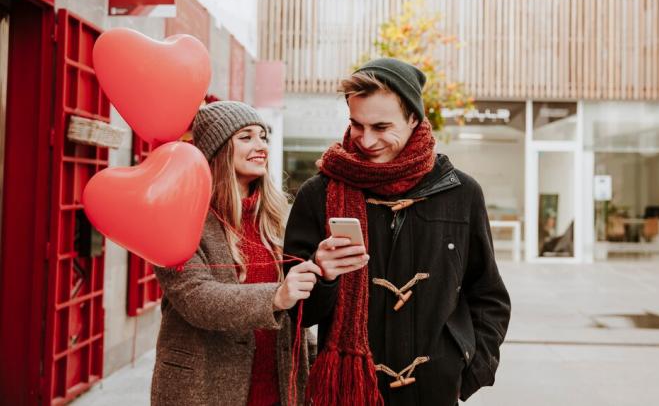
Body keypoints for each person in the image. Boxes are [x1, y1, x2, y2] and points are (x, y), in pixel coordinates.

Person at [284, 58, 512, 405]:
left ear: (413, 119)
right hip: (349, 392)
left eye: (381, 126)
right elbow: (296, 314)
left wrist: (468, 369)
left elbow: (488, 294)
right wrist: (323, 274)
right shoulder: (318, 194)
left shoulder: (462, 193)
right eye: (357, 125)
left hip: (434, 391)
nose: (366, 140)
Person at [152, 101, 320, 406]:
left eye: (263, 136)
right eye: (246, 137)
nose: (261, 146)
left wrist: (314, 362)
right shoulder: (181, 218)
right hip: (203, 388)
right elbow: (197, 299)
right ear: (217, 150)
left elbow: (295, 316)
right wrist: (276, 296)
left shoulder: (276, 218)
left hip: (277, 388)